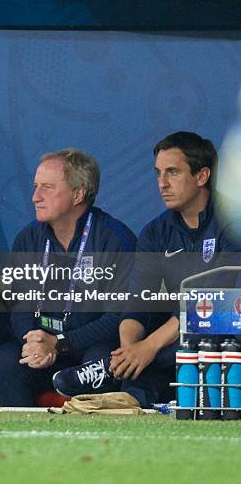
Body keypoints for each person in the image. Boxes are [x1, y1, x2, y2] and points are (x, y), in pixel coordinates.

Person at [55, 131, 240, 406]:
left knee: (192, 343)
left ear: (201, 177)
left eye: (173, 172)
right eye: (158, 173)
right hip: (178, 337)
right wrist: (130, 351)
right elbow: (138, 302)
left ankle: (110, 372)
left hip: (225, 329)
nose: (162, 183)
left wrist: (148, 347)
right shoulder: (155, 232)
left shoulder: (231, 222)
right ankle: (124, 391)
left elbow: (213, 305)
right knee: (142, 354)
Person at [0, 149, 136, 406]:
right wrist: (32, 340)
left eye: (47, 188)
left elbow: (118, 317)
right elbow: (17, 305)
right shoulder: (28, 238)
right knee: (6, 359)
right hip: (43, 346)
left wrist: (60, 344)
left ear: (78, 194)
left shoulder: (114, 239)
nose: (35, 197)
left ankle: (101, 443)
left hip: (88, 346)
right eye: (35, 187)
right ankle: (16, 440)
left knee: (103, 359)